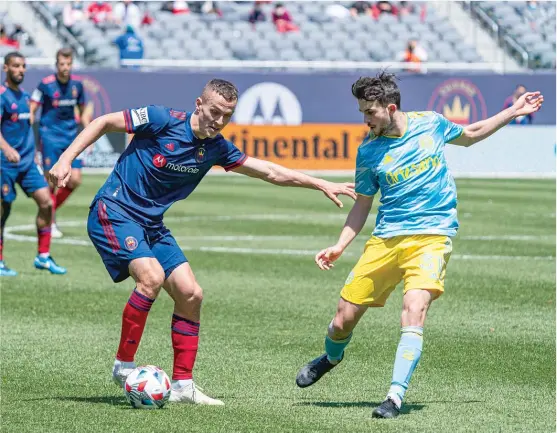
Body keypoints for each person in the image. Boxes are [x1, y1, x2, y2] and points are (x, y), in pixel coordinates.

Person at [48, 79, 356, 405]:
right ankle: (123, 364)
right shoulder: (161, 119)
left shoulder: (216, 147)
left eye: (227, 116)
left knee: (191, 294)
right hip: (114, 210)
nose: (219, 121)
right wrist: (66, 159)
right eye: (214, 113)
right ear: (198, 104)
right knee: (150, 278)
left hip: (151, 224)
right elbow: (103, 121)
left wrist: (319, 182)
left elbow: (269, 172)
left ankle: (182, 385)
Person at [295, 72, 543, 419]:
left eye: (370, 112)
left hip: (432, 236)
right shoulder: (368, 151)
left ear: (390, 107)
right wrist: (340, 245)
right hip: (385, 241)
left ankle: (394, 398)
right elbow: (363, 203)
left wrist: (512, 111)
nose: (365, 119)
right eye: (363, 112)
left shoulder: (430, 124)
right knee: (341, 322)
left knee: (414, 308)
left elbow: (470, 134)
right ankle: (332, 357)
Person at [0, 52, 67, 276]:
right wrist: (6, 148)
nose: (20, 70)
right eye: (16, 66)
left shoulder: (25, 96)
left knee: (47, 203)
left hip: (27, 162)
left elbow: (27, 128)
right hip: (5, 163)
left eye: (23, 66)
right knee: (3, 210)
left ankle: (43, 257)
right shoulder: (1, 95)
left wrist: (35, 153)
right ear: (6, 68)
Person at [30, 48, 91, 238]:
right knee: (52, 181)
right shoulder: (45, 85)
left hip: (70, 138)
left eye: (68, 64)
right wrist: (29, 137)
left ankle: (50, 211)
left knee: (75, 179)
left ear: (72, 64)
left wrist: (89, 137)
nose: (65, 67)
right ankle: (50, 218)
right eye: (62, 64)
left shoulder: (77, 86)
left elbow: (82, 114)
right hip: (50, 137)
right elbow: (32, 110)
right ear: (56, 65)